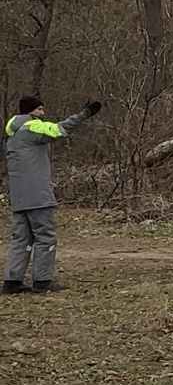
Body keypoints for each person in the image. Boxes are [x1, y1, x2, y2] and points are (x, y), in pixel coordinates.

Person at [3, 96, 101, 295]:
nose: (42, 113)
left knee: (21, 239)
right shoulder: (32, 127)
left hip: (19, 198)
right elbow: (58, 130)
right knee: (45, 237)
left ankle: (12, 282)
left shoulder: (13, 135)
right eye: (39, 109)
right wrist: (83, 115)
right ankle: (42, 281)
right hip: (38, 196)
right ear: (30, 112)